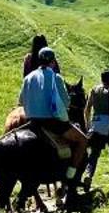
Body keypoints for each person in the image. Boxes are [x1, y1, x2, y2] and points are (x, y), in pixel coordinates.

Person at [18, 46, 88, 193]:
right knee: (82, 140)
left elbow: (21, 100)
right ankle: (71, 174)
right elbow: (66, 102)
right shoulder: (56, 77)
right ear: (53, 62)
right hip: (51, 122)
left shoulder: (28, 78)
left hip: (31, 122)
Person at [86, 69, 109, 185]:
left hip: (96, 124)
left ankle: (89, 175)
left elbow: (87, 109)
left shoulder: (94, 90)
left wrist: (88, 124)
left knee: (94, 153)